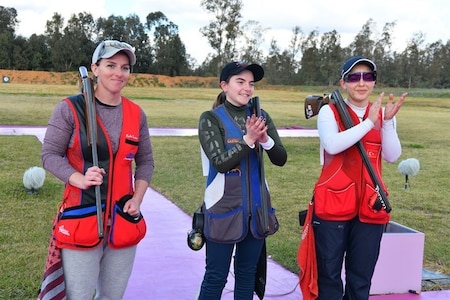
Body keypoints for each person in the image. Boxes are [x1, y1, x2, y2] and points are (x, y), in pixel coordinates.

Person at [40, 40, 154, 299]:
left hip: (123, 221)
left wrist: (137, 199)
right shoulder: (70, 109)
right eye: (110, 65)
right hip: (82, 218)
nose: (118, 73)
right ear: (95, 68)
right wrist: (78, 178)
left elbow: (146, 161)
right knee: (78, 296)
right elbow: (49, 154)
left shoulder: (137, 114)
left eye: (125, 68)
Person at [310, 56, 407, 299]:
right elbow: (332, 145)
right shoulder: (328, 112)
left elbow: (392, 156)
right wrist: (370, 122)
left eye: (368, 77)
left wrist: (388, 122)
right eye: (354, 77)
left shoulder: (381, 114)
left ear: (374, 82)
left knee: (361, 278)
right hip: (333, 205)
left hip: (370, 207)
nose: (361, 83)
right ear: (343, 83)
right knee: (329, 278)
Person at [197, 61, 287, 299]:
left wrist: (265, 140)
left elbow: (281, 158)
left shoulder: (261, 116)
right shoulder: (210, 119)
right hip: (222, 209)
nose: (247, 88)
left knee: (247, 274)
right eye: (240, 82)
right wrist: (248, 140)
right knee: (216, 276)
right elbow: (220, 162)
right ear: (224, 86)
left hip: (257, 210)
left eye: (251, 83)